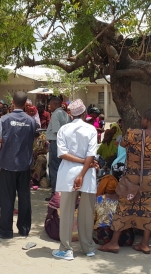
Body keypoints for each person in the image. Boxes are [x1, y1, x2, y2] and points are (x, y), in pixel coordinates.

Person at [99, 109, 151, 255]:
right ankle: (145, 244)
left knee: (124, 207)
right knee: (149, 208)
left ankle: (114, 243)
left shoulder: (134, 133)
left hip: (134, 177)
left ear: (146, 120)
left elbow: (122, 144)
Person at [50, 99, 98, 260]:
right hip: (87, 173)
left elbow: (62, 153)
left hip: (68, 173)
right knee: (87, 212)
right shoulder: (91, 129)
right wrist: (83, 170)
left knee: (66, 212)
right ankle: (88, 247)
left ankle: (66, 249)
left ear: (70, 114)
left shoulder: (64, 129)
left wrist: (79, 168)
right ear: (85, 113)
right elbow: (91, 155)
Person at [0, 91, 37, 239]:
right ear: (25, 104)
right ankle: (24, 229)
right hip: (24, 164)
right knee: (24, 197)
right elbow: (33, 139)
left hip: (7, 163)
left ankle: (5, 231)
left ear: (12, 102)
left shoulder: (4, 119)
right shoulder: (31, 121)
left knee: (6, 198)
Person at [46, 97, 71, 201]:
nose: (48, 106)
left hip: (56, 143)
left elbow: (57, 131)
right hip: (65, 144)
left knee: (54, 168)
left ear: (56, 104)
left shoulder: (56, 114)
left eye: (50, 104)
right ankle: (61, 193)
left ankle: (55, 194)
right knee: (62, 168)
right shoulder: (66, 115)